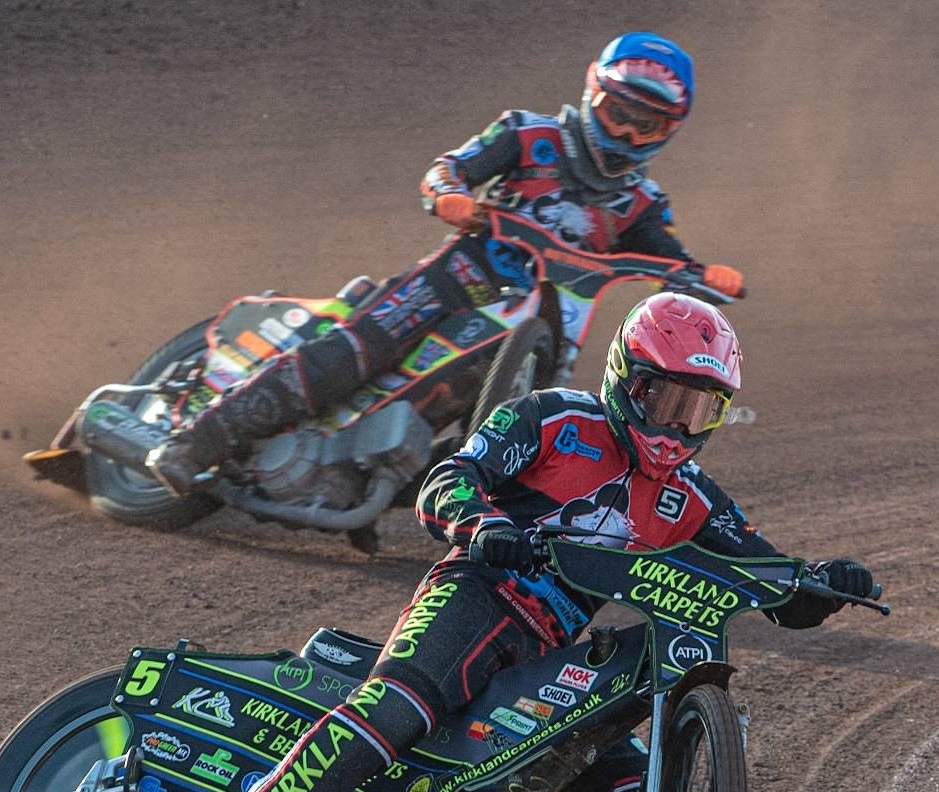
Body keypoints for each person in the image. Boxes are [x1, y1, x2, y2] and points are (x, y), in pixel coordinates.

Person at [158, 293, 877, 792]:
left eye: (701, 408)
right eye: (667, 401)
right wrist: (483, 524)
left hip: (552, 652)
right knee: (393, 710)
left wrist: (819, 581)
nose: (680, 426)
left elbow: (764, 571)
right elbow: (448, 479)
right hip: (475, 594)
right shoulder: (554, 418)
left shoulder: (693, 497)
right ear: (629, 377)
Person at [142, 31, 746, 497]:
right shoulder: (529, 135)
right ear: (594, 95)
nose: (630, 133)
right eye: (621, 113)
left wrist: (704, 276)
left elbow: (666, 254)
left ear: (671, 130)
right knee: (360, 349)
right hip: (460, 277)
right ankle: (197, 441)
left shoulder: (641, 202)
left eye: (650, 125)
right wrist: (451, 194)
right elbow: (448, 168)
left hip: (552, 318)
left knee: (557, 416)